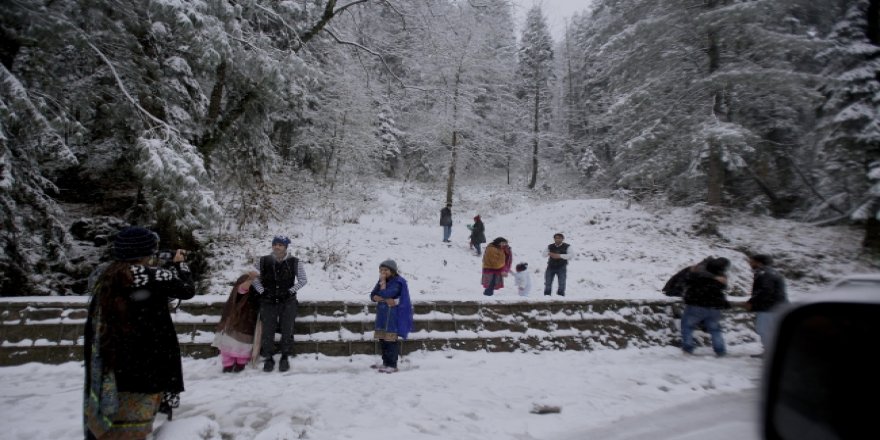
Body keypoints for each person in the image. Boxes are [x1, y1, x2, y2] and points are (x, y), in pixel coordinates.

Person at [84, 226, 195, 439]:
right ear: (146, 252)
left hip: (112, 362)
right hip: (147, 365)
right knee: (137, 426)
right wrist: (180, 264)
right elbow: (187, 290)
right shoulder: (156, 276)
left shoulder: (102, 276)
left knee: (115, 427)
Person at [252, 235, 308, 373]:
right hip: (268, 301)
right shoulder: (262, 260)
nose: (277, 247)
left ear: (285, 247)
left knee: (287, 329)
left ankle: (284, 356)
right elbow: (253, 278)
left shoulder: (295, 262)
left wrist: (290, 292)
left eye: (280, 245)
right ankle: (268, 357)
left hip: (288, 301)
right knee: (268, 330)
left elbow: (302, 280)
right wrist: (262, 292)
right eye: (275, 244)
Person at [680, 257, 731, 357]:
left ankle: (688, 348)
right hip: (715, 306)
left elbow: (687, 280)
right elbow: (723, 287)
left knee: (687, 326)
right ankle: (720, 350)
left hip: (697, 304)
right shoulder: (722, 277)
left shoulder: (699, 274)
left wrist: (692, 271)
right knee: (715, 329)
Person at [370, 260, 414, 373]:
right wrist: (377, 297)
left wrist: (383, 289)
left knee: (390, 340)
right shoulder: (381, 281)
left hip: (392, 315)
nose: (383, 272)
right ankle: (385, 363)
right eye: (381, 270)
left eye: (385, 270)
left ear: (392, 271)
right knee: (382, 339)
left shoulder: (399, 281)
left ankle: (392, 365)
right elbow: (373, 294)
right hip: (382, 315)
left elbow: (387, 293)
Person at [212, 271, 260, 373]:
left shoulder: (259, 287)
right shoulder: (242, 287)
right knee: (228, 346)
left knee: (243, 346)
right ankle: (228, 364)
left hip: (248, 322)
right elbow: (242, 289)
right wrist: (250, 280)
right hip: (235, 321)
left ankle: (240, 363)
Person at [744, 254, 788, 357]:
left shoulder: (764, 273)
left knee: (763, 329)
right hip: (778, 306)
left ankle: (770, 353)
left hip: (769, 307)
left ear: (759, 262)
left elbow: (765, 291)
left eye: (752, 261)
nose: (750, 263)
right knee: (772, 330)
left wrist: (751, 302)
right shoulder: (772, 272)